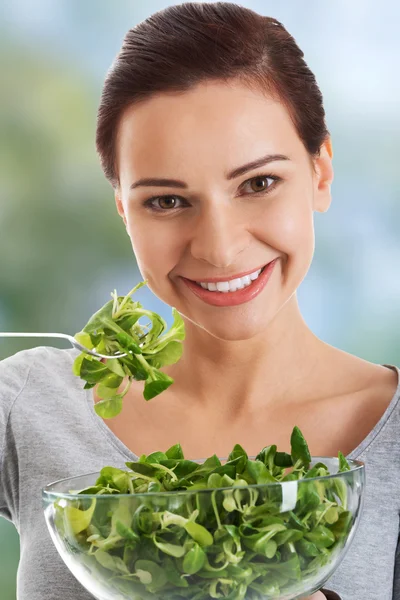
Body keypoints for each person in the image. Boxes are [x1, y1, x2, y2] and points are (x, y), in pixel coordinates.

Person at [0, 3, 399, 599]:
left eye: (258, 184)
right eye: (165, 201)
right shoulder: (31, 403)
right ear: (123, 210)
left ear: (320, 172)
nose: (218, 249)